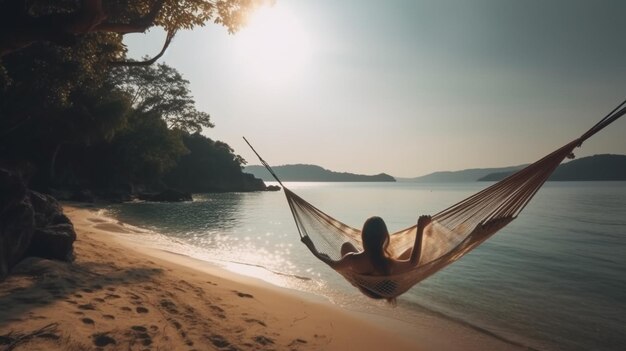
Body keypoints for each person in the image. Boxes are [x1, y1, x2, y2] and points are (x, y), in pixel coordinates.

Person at [300, 215, 432, 301]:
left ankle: (361, 263)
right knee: (411, 251)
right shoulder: (388, 263)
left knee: (346, 245)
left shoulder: (352, 259)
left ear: (363, 237)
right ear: (385, 237)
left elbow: (334, 265)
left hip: (365, 287)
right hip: (385, 291)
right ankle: (426, 236)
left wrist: (314, 250)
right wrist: (420, 228)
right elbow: (414, 262)